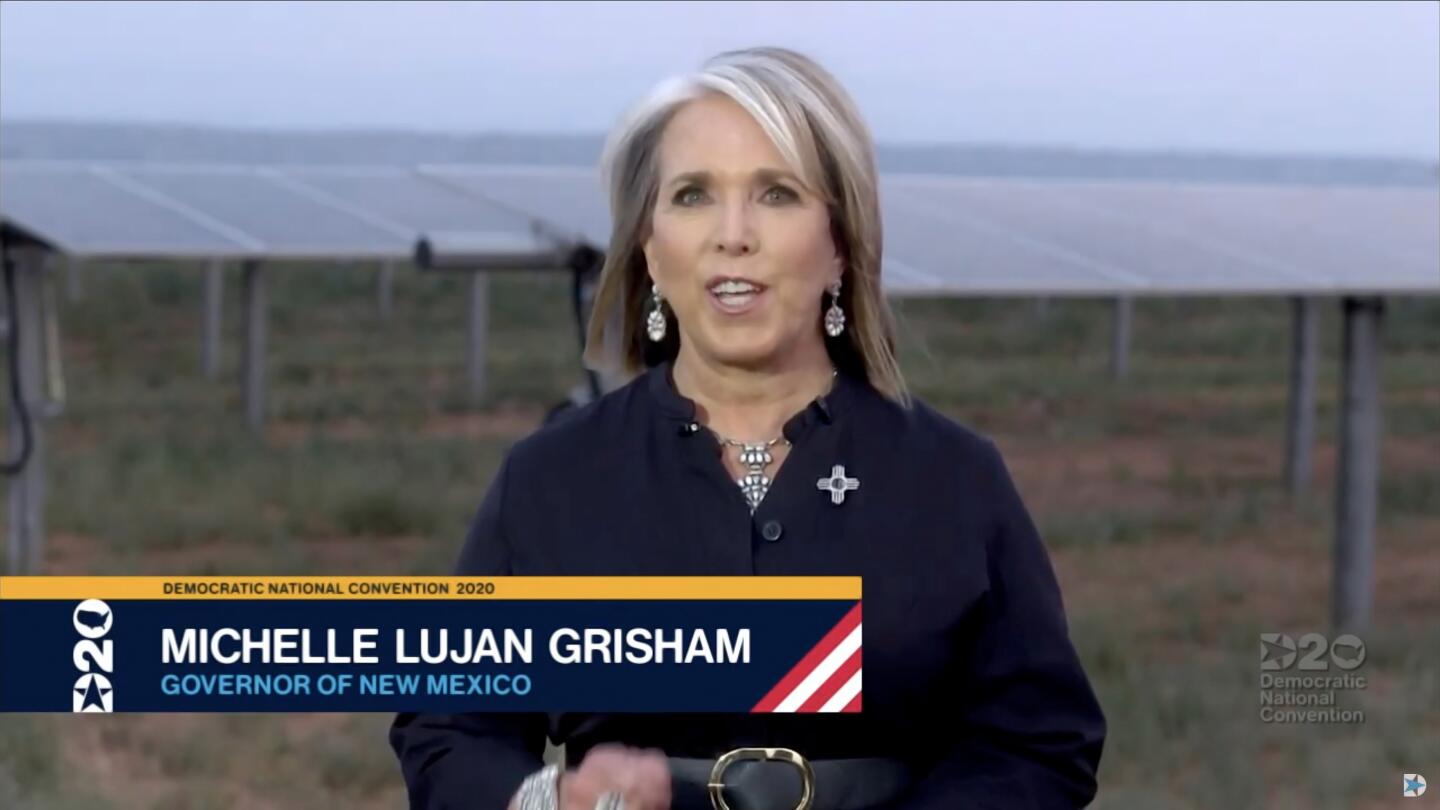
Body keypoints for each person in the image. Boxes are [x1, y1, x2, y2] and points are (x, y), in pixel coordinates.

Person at [391, 46, 1106, 810]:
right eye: (694, 195)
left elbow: (1040, 741)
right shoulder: (551, 478)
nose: (733, 234)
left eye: (776, 193)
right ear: (649, 249)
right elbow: (449, 728)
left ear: (840, 243)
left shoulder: (953, 479)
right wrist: (546, 801)